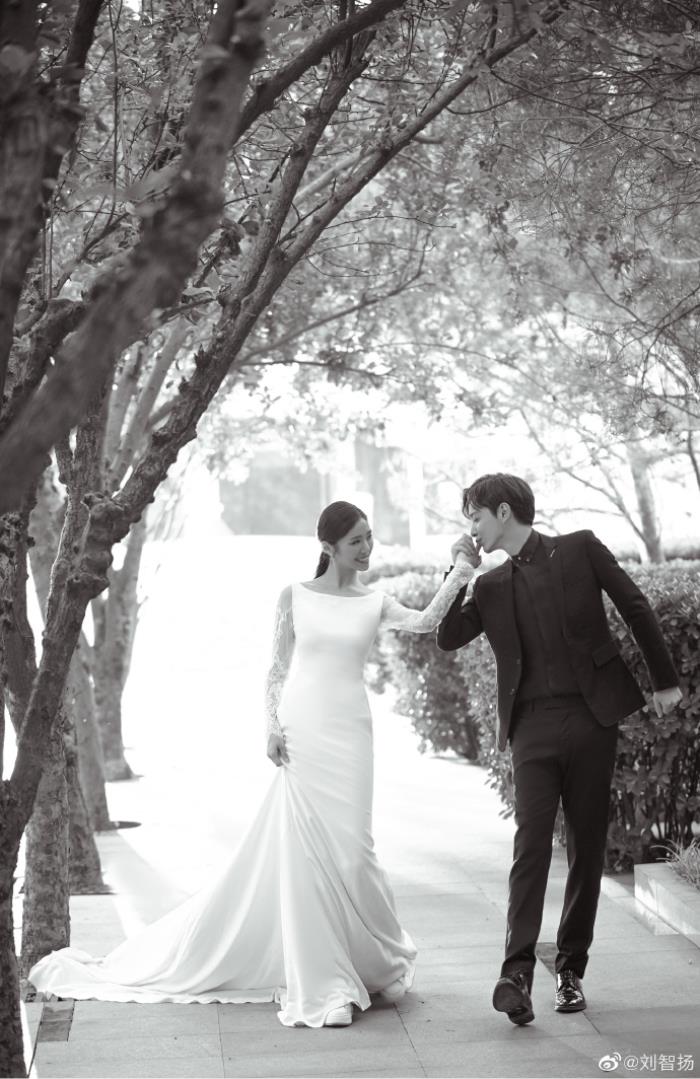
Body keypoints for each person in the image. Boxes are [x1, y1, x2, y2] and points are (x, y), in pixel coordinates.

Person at [29, 500, 474, 1028]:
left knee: (355, 854)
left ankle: (376, 960)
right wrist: (271, 727)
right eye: (356, 540)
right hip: (305, 732)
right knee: (308, 858)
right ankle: (326, 983)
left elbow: (425, 623)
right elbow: (277, 669)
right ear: (328, 547)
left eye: (368, 537)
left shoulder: (374, 600)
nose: (366, 548)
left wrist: (460, 570)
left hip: (352, 734)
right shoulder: (295, 596)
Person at [437, 473, 682, 1026]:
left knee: (587, 846)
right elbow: (447, 637)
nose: (471, 528)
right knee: (530, 846)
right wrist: (459, 570)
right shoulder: (491, 585)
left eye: (475, 516)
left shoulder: (579, 549)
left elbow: (635, 605)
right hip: (531, 729)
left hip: (592, 720)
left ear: (503, 511)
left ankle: (570, 971)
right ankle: (516, 974)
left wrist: (664, 680)